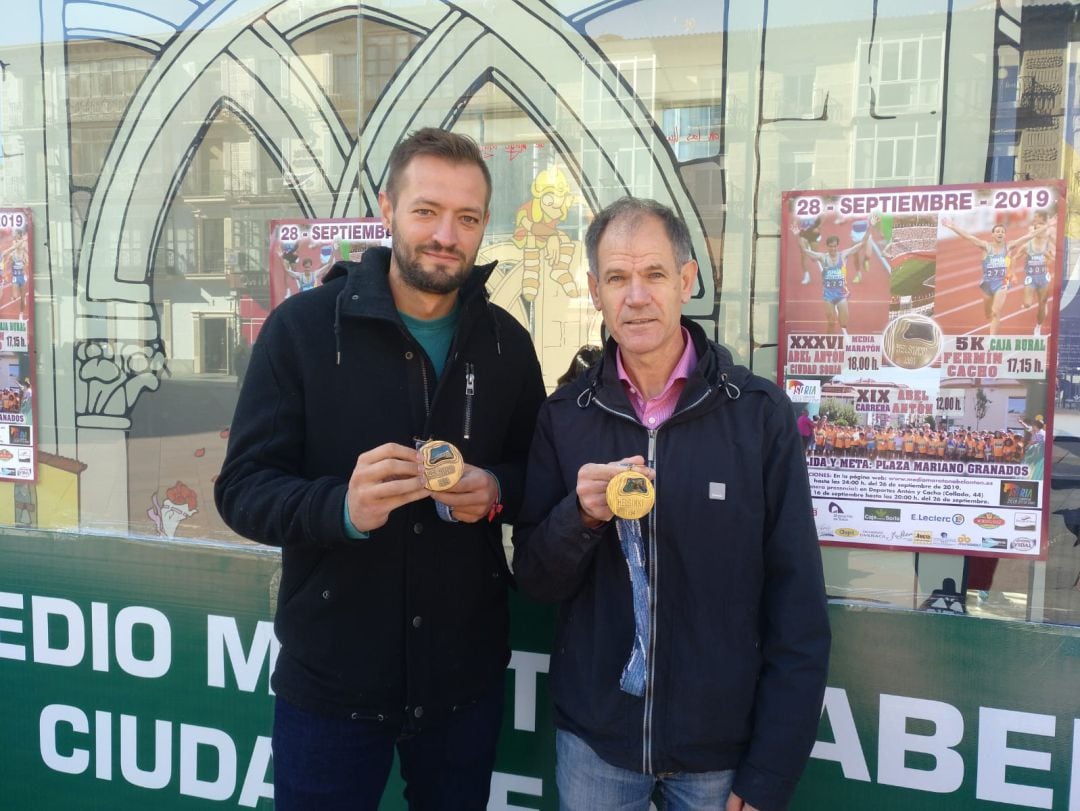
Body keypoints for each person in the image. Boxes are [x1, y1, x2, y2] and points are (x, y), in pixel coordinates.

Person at [214, 127, 546, 810]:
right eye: (426, 210)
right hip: (332, 682)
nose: (445, 235)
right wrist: (340, 508)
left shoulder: (507, 344)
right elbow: (241, 488)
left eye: (467, 218)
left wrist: (497, 489)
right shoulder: (303, 329)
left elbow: (539, 475)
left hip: (462, 680)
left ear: (485, 226)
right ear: (386, 207)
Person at [513, 197, 830, 811]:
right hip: (597, 748)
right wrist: (577, 519)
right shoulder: (563, 419)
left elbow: (799, 609)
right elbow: (533, 580)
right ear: (594, 291)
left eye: (654, 274)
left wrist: (768, 772)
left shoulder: (759, 415)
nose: (636, 296)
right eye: (617, 278)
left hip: (720, 755)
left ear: (687, 280)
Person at [941, 218, 1011, 335]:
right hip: (987, 284)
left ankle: (992, 340)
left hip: (1002, 282)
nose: (1000, 233)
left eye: (1002, 232)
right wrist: (953, 226)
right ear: (992, 235)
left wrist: (1045, 228)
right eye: (997, 231)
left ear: (1005, 235)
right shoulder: (985, 246)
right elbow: (968, 237)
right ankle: (991, 315)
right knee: (988, 313)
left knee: (995, 312)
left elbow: (1026, 238)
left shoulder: (1008, 247)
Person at [798, 232, 870, 335]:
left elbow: (862, 243)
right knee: (831, 322)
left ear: (838, 246)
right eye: (831, 246)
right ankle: (830, 343)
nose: (833, 249)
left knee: (843, 323)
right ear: (827, 246)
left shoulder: (844, 255)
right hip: (828, 296)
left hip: (841, 295)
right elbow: (805, 251)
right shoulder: (823, 257)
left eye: (835, 246)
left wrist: (870, 227)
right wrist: (798, 234)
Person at [1008, 210, 1055, 336]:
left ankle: (1038, 327)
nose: (1041, 233)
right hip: (1030, 278)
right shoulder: (1027, 246)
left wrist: (1049, 259)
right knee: (1028, 304)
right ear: (1034, 232)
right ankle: (1027, 304)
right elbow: (1014, 258)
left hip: (1043, 278)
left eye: (1042, 230)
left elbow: (1050, 258)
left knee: (1042, 304)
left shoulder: (1047, 245)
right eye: (1038, 230)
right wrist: (1013, 274)